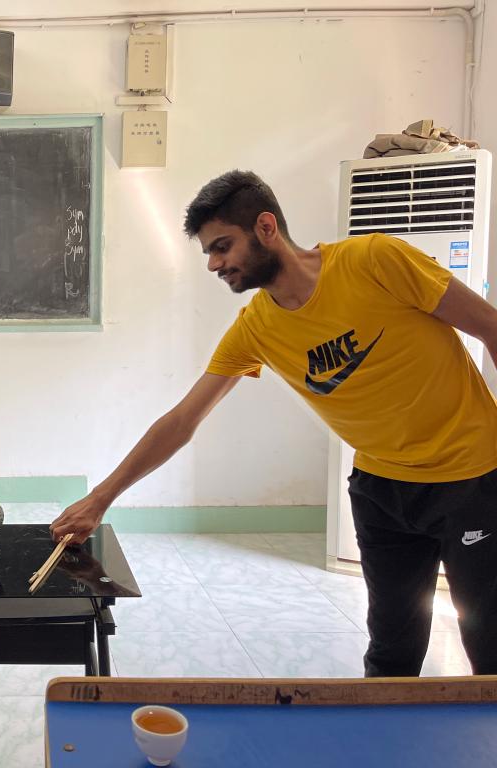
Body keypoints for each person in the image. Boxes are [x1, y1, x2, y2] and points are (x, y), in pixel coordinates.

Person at [51, 169, 497, 678]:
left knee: (489, 647)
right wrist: (100, 498)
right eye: (209, 253)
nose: (214, 264)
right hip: (381, 490)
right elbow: (182, 421)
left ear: (266, 228)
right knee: (391, 651)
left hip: (473, 478)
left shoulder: (375, 260)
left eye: (223, 247)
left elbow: (490, 326)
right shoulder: (256, 328)